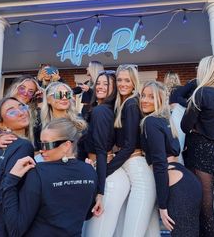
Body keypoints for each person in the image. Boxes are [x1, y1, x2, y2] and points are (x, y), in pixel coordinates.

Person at [1, 118, 97, 237]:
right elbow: (87, 215)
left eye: (47, 144)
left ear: (67, 145)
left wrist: (11, 179)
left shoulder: (38, 172)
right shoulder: (90, 170)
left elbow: (15, 229)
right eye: (40, 144)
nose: (41, 150)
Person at [140, 80, 202, 237]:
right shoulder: (165, 121)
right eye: (143, 95)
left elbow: (160, 164)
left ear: (160, 100)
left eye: (151, 97)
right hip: (189, 182)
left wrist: (162, 205)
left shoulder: (150, 122)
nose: (145, 100)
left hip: (178, 188)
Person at [107, 64, 160, 237]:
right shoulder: (123, 104)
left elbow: (130, 146)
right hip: (134, 169)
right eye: (119, 79)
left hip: (141, 178)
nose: (123, 84)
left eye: (127, 80)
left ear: (134, 82)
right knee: (147, 232)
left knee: (133, 232)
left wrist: (106, 169)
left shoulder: (131, 104)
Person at [83, 70, 130, 237]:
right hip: (106, 175)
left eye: (106, 84)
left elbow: (102, 152)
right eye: (99, 83)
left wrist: (100, 193)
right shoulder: (102, 109)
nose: (101, 87)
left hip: (108, 180)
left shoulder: (101, 111)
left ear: (114, 89)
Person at [181, 55, 214, 236]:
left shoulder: (201, 92)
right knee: (211, 207)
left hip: (199, 152)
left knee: (205, 212)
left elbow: (185, 126)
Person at [0, 97, 35, 236]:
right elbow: (7, 188)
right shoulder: (23, 146)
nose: (21, 112)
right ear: (1, 124)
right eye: (11, 112)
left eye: (22, 107)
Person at [33, 81, 86, 157]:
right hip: (51, 167)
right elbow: (36, 152)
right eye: (59, 95)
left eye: (67, 95)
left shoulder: (79, 121)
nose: (64, 98)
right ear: (48, 100)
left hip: (77, 165)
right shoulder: (40, 124)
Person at [164, 72, 185, 164]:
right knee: (179, 144)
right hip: (179, 119)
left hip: (167, 119)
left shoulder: (163, 91)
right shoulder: (182, 90)